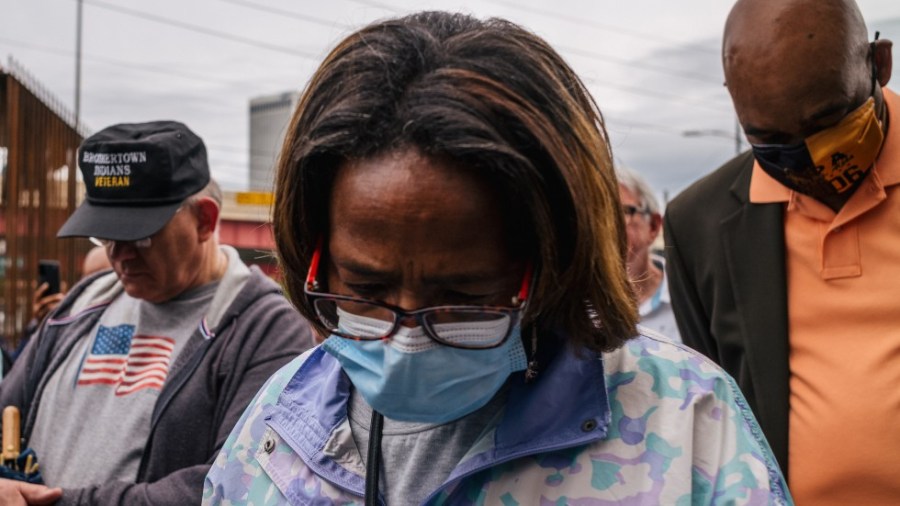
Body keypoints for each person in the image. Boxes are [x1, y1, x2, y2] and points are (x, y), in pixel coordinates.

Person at [204, 12, 790, 505]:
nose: (405, 339)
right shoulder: (277, 426)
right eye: (365, 289)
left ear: (553, 262)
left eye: (462, 299)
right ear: (317, 262)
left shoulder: (684, 423)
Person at [0, 120, 315, 505]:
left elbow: (233, 483)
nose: (118, 255)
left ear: (204, 220)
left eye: (139, 235)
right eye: (105, 236)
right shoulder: (85, 301)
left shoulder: (266, 328)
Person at [663, 0, 895, 502]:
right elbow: (718, 413)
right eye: (768, 139)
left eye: (828, 121)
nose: (808, 161)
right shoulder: (698, 225)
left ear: (879, 63)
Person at [617, 166, 680, 342]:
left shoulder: (686, 296)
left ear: (653, 226)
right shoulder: (572, 309)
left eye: (621, 212)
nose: (607, 224)